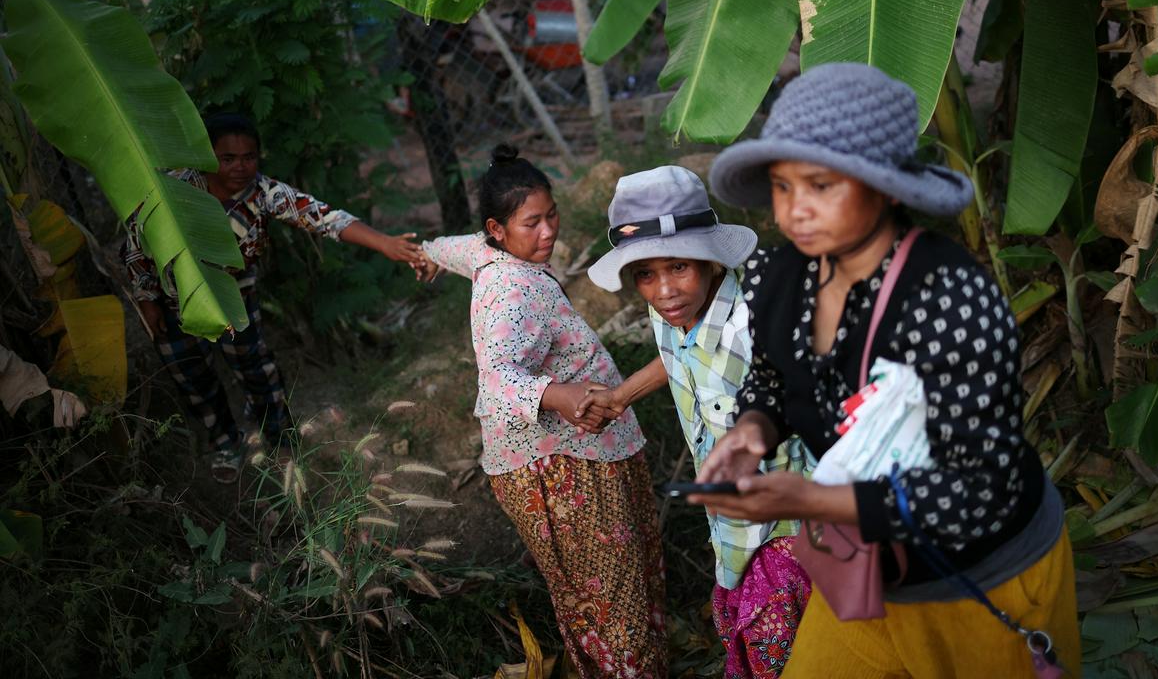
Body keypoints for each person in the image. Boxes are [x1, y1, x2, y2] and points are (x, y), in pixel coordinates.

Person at [690, 63, 1081, 678]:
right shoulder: (779, 277)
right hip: (865, 573)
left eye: (821, 186)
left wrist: (815, 499)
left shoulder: (948, 296)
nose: (796, 211)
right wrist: (751, 433)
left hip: (985, 576)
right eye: (783, 187)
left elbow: (982, 489)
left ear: (889, 189)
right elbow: (771, 375)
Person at [412, 145, 668, 678]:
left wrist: (426, 252)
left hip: (560, 460)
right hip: (565, 466)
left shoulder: (486, 253)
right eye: (533, 223)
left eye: (551, 215)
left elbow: (455, 248)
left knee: (595, 595)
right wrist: (561, 395)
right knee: (613, 601)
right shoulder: (512, 289)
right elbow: (498, 380)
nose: (549, 231)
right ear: (498, 228)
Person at [577, 166, 811, 679]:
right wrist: (621, 396)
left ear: (710, 259)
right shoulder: (676, 312)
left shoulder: (756, 326)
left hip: (788, 525)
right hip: (731, 523)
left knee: (788, 648)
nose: (664, 290)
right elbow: (678, 357)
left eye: (679, 267)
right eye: (645, 274)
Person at [122, 113, 422, 477]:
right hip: (175, 304)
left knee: (258, 371)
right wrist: (146, 298)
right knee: (193, 378)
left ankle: (282, 440)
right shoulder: (176, 187)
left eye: (249, 157)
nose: (240, 167)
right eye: (227, 158)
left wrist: (385, 243)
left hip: (235, 298)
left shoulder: (263, 193)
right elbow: (137, 240)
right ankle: (226, 445)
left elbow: (322, 217)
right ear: (206, 155)